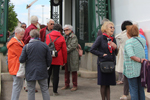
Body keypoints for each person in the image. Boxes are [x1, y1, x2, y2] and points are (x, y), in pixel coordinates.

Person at [19, 29, 52, 100]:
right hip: (42, 69)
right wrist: (47, 66)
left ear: (30, 36)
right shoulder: (44, 46)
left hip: (30, 70)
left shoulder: (26, 46)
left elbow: (21, 60)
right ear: (39, 36)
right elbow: (49, 59)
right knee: (45, 89)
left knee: (31, 90)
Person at [90, 21, 118, 100]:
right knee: (103, 84)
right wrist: (102, 54)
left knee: (108, 84)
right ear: (105, 29)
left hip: (111, 63)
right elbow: (92, 49)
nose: (112, 29)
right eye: (111, 27)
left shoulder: (113, 39)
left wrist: (115, 47)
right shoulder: (101, 38)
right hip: (103, 63)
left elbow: (115, 53)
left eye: (113, 27)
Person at [123, 25, 147, 100]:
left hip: (132, 70)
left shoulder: (129, 42)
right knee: (141, 89)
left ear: (128, 33)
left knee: (133, 90)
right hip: (141, 69)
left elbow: (131, 55)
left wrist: (140, 59)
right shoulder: (141, 40)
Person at [46, 24, 67, 95]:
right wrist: (64, 61)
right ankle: (55, 91)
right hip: (58, 57)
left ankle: (46, 90)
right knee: (56, 75)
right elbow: (64, 50)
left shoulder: (48, 36)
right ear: (60, 30)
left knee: (48, 74)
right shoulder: (61, 38)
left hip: (49, 57)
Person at [115, 20, 133, 99]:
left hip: (125, 58)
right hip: (133, 58)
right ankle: (132, 94)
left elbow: (116, 36)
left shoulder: (122, 35)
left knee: (126, 77)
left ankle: (125, 94)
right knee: (132, 78)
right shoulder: (133, 35)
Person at [7, 27, 25, 100]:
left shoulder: (18, 41)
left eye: (23, 34)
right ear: (16, 33)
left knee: (18, 85)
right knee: (17, 85)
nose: (22, 36)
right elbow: (21, 54)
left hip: (16, 66)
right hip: (16, 66)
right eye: (21, 34)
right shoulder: (15, 43)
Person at [61, 25, 79, 91]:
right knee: (66, 70)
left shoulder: (74, 37)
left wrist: (64, 50)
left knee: (73, 70)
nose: (65, 31)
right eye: (64, 30)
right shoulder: (64, 37)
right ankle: (66, 84)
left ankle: (75, 85)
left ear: (71, 30)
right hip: (67, 55)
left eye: (67, 29)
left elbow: (72, 46)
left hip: (73, 55)